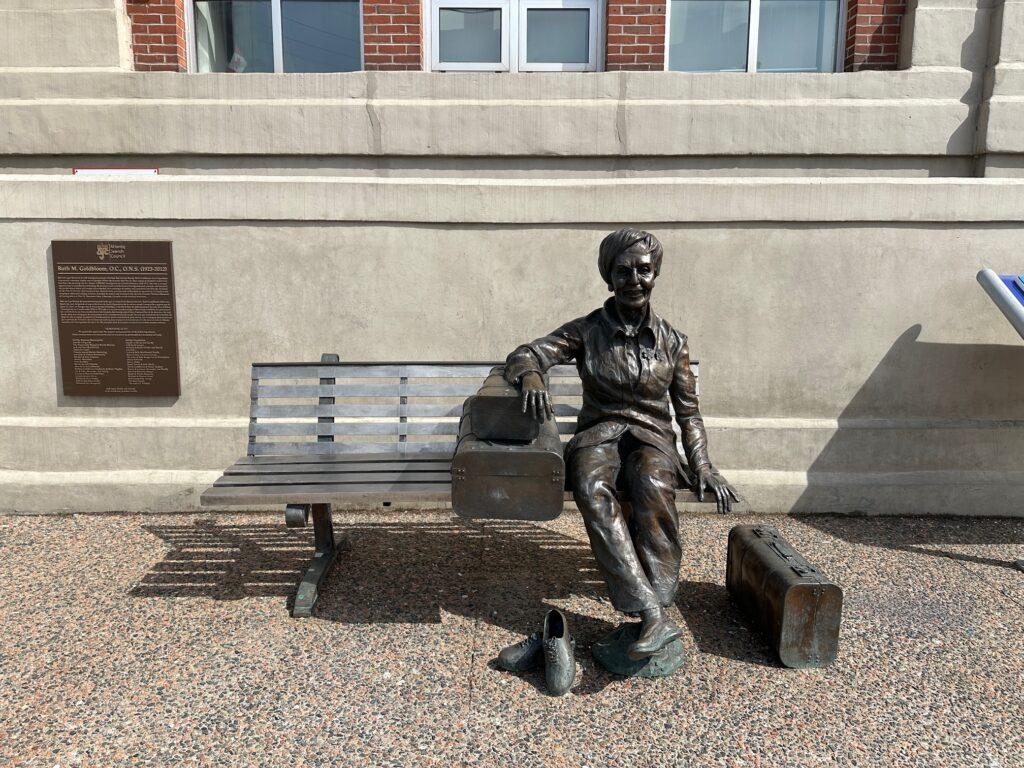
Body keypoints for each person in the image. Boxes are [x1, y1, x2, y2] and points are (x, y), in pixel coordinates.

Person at [504, 229, 739, 660]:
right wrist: (532, 375)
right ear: (608, 277)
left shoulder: (673, 342)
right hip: (599, 435)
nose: (634, 278)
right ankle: (651, 614)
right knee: (593, 488)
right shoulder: (587, 330)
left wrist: (703, 464)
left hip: (652, 439)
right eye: (623, 270)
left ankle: (658, 604)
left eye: (644, 270)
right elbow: (526, 354)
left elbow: (687, 411)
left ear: (656, 275)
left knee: (652, 480)